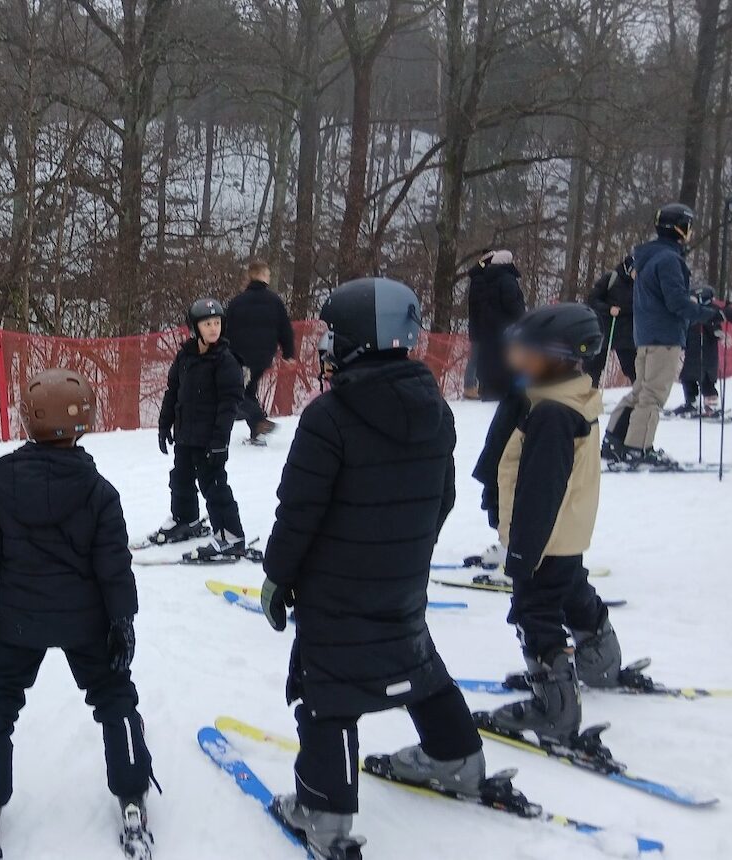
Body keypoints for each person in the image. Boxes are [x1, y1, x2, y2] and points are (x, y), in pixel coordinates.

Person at [257, 278, 487, 858]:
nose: (326, 345)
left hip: (334, 590)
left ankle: (323, 808)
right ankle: (457, 756)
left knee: (327, 688)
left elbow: (298, 511)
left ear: (356, 338)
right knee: (415, 661)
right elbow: (443, 498)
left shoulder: (329, 418)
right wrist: (406, 552)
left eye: (332, 334)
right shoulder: (435, 408)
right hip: (401, 579)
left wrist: (279, 576)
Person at [0, 369, 155, 860]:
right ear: (83, 424)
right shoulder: (97, 489)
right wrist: (121, 619)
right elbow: (114, 563)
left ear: (28, 422)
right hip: (84, 622)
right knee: (114, 697)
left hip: (19, 623)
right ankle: (132, 796)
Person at [472, 303, 621, 743]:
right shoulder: (569, 396)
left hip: (544, 537)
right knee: (572, 589)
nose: (521, 364)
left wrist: (521, 552)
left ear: (560, 357)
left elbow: (540, 491)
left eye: (530, 356)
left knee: (534, 611)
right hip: (565, 534)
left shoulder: (552, 414)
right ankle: (601, 660)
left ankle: (553, 707)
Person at [605, 204, 727, 467]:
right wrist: (711, 314)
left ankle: (614, 440)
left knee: (640, 391)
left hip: (647, 335)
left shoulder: (647, 257)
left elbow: (665, 297)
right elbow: (677, 304)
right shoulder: (669, 260)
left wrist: (697, 304)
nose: (691, 233)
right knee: (653, 394)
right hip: (664, 336)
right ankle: (638, 448)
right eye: (689, 227)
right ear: (680, 229)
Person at [148, 298, 250, 562]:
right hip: (185, 433)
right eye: (207, 324)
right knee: (180, 478)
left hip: (209, 438)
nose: (213, 328)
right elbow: (173, 392)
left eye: (217, 323)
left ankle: (231, 537)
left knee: (214, 485)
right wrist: (164, 424)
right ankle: (186, 519)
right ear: (195, 328)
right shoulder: (185, 356)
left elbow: (230, 404)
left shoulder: (226, 361)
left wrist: (220, 441)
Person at [223, 259, 296, 443]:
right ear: (263, 276)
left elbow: (225, 329)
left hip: (239, 356)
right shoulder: (275, 301)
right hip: (264, 356)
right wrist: (288, 353)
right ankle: (257, 431)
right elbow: (285, 328)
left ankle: (259, 421)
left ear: (250, 276)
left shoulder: (237, 302)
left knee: (238, 392)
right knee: (249, 390)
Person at [467, 249, 526, 400]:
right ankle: (475, 386)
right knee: (502, 359)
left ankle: (486, 388)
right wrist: (522, 317)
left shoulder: (487, 278)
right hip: (504, 328)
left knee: (487, 358)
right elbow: (511, 303)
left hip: (489, 327)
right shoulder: (507, 280)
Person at [671, 287, 732, 418]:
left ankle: (711, 405)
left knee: (706, 379)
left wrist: (720, 335)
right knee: (687, 378)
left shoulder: (709, 310)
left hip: (706, 353)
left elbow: (714, 326)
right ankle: (691, 402)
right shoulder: (689, 312)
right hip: (691, 352)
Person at [586, 255, 637, 387]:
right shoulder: (611, 278)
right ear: (629, 269)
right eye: (636, 270)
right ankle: (589, 396)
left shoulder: (641, 286)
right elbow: (593, 300)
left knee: (632, 368)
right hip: (606, 328)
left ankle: (641, 399)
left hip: (627, 333)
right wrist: (608, 309)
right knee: (594, 367)